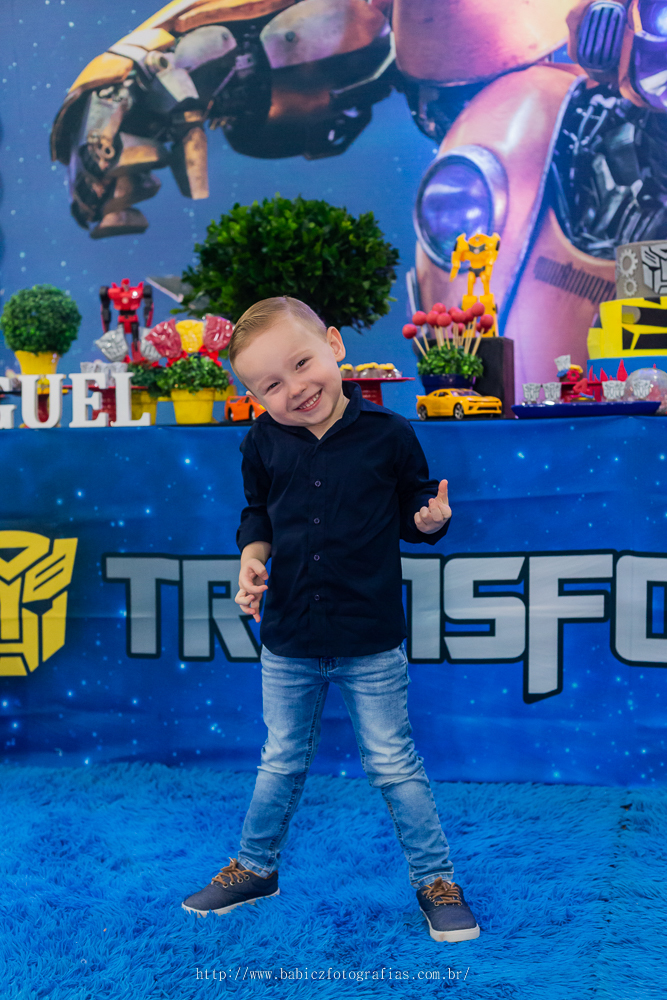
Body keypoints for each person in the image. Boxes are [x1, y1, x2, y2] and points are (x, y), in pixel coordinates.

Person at [182, 297, 480, 943]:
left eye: (302, 363)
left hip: (369, 639)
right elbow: (256, 512)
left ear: (336, 347)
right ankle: (255, 868)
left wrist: (429, 520)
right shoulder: (260, 441)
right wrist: (252, 559)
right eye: (270, 385)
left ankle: (435, 881)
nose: (295, 389)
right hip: (287, 637)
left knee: (393, 765)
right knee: (280, 759)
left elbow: (413, 510)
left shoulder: (388, 434)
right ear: (253, 395)